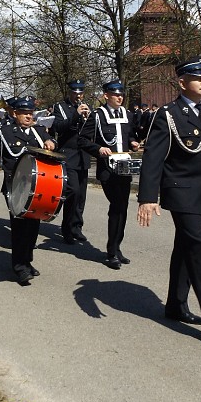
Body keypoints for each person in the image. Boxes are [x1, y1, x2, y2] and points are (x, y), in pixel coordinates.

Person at [136, 58, 201, 343]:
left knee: (184, 247)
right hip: (180, 192)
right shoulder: (168, 115)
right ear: (182, 82)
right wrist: (147, 198)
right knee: (199, 248)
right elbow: (153, 159)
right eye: (197, 78)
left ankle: (175, 305)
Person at [0, 96, 57, 284]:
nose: (29, 117)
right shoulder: (5, 132)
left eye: (30, 113)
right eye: (25, 114)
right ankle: (19, 267)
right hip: (15, 185)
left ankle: (27, 261)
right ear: (15, 114)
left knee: (33, 226)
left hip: (37, 186)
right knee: (19, 226)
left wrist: (51, 142)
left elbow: (51, 143)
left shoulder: (39, 131)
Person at [80, 80, 140, 270]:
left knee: (123, 207)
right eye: (115, 94)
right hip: (108, 169)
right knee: (116, 206)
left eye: (121, 94)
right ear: (106, 95)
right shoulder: (98, 115)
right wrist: (98, 149)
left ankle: (117, 247)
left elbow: (129, 135)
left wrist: (133, 143)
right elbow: (81, 140)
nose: (120, 97)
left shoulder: (127, 114)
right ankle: (111, 252)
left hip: (125, 166)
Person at [52, 79, 91, 244]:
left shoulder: (88, 107)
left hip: (83, 156)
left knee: (81, 195)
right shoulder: (60, 107)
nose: (78, 96)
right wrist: (75, 116)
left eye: (80, 93)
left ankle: (77, 227)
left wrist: (89, 118)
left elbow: (91, 131)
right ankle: (67, 228)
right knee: (73, 192)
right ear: (70, 93)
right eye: (75, 93)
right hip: (68, 155)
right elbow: (58, 128)